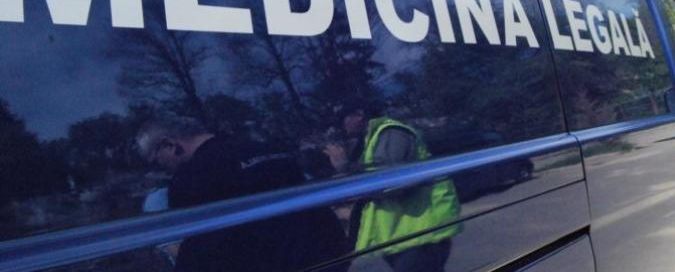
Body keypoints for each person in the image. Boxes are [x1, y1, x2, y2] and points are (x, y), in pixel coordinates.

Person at [137, 117, 348, 272]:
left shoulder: (190, 179)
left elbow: (202, 253)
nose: (161, 168)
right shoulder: (273, 151)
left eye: (156, 160)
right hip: (332, 256)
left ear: (169, 144)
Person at [326, 105, 461, 272]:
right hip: (405, 233)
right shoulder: (372, 138)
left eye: (342, 119)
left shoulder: (390, 133)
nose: (341, 126)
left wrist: (344, 166)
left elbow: (390, 185)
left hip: (419, 232)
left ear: (359, 114)